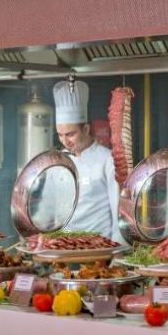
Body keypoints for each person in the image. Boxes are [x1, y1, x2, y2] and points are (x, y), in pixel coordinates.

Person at [53, 79, 120, 240]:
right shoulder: (59, 160)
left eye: (70, 134)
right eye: (60, 135)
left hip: (98, 245)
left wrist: (118, 248)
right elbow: (52, 205)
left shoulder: (107, 159)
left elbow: (118, 208)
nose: (65, 141)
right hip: (64, 245)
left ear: (86, 129)